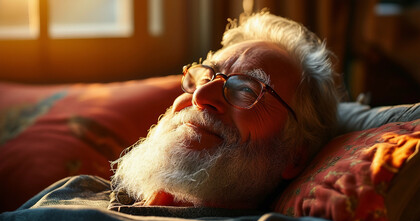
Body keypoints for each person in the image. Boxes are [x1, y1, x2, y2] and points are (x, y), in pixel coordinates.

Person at [110, 11, 340, 210]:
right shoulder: (78, 189)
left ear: (294, 157)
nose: (200, 96)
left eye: (245, 89)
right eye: (203, 79)